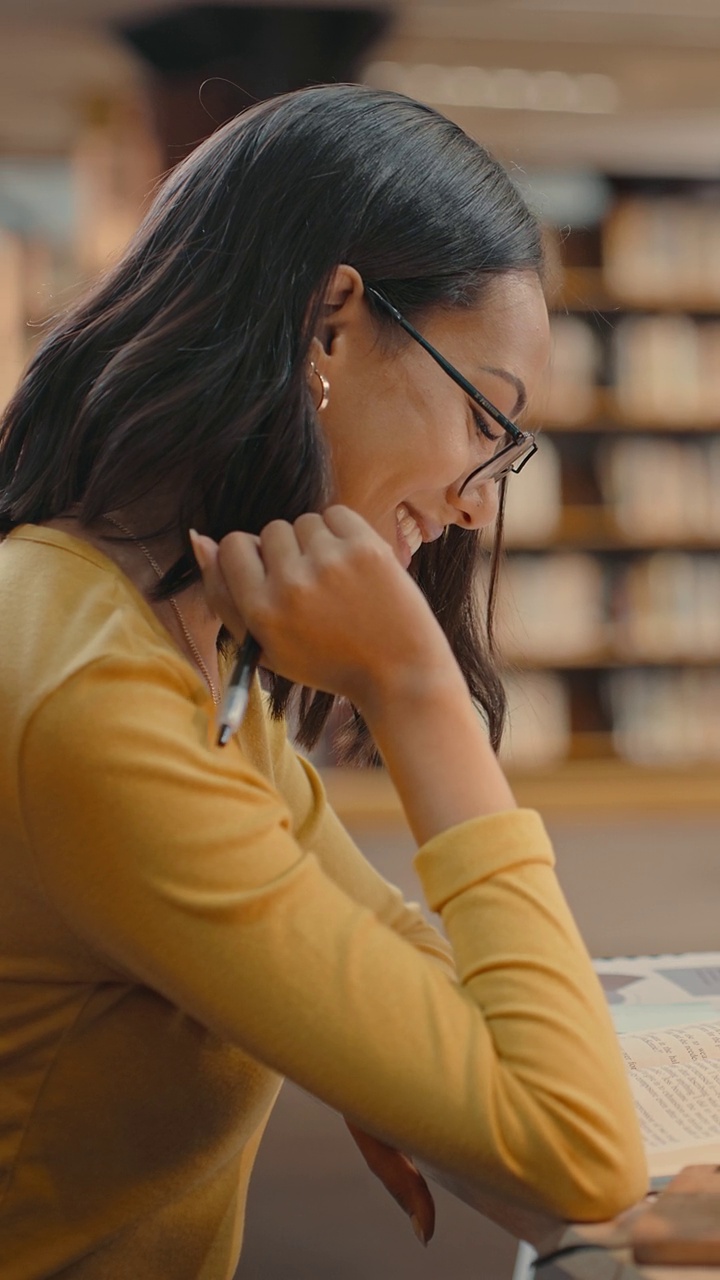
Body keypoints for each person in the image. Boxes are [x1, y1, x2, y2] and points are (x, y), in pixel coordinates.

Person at [0, 84, 646, 1279]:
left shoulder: (150, 625)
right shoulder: (93, 695)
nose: (474, 500)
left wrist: (396, 1047)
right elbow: (578, 1151)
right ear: (332, 323)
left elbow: (396, 951)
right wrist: (418, 692)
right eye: (480, 421)